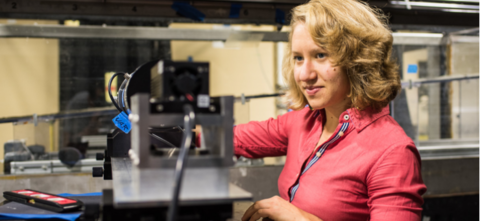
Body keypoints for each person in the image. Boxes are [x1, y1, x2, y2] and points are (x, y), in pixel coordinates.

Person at [234, 0, 427, 220]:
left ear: (357, 60)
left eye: (320, 55)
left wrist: (298, 218)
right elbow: (233, 138)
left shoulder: (392, 152)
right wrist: (190, 134)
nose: (304, 75)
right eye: (298, 58)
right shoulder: (303, 121)